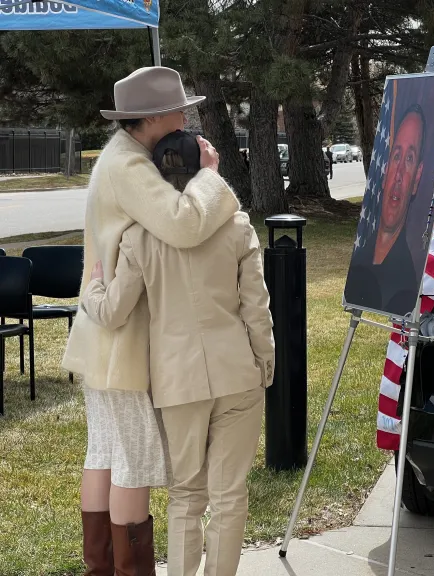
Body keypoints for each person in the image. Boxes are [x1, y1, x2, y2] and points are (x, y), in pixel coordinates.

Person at [62, 67, 240, 576]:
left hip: (102, 332)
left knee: (105, 453)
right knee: (133, 460)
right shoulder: (130, 167)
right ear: (157, 117)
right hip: (122, 338)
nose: (185, 116)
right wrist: (208, 175)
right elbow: (184, 224)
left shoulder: (120, 157)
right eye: (180, 109)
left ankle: (100, 567)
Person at [81, 130, 275, 576]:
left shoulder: (141, 237)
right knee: (230, 496)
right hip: (237, 373)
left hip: (177, 382)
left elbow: (111, 312)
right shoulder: (237, 226)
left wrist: (93, 286)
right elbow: (257, 306)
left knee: (186, 495)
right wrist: (264, 362)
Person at [344, 104, 426, 317]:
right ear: (385, 167)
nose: (398, 174)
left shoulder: (405, 284)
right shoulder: (361, 257)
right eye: (396, 156)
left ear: (417, 179)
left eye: (409, 159)